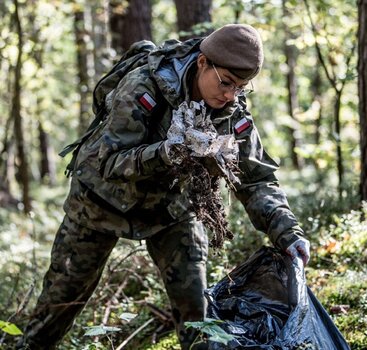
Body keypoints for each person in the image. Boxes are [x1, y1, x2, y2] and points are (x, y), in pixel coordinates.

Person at [17, 23, 310, 350]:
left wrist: (289, 234)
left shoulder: (231, 113)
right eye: (226, 82)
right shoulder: (144, 87)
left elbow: (256, 178)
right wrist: (166, 152)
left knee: (197, 310)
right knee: (61, 300)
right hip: (99, 200)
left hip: (172, 209)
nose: (230, 95)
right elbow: (109, 162)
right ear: (202, 63)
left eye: (241, 88)